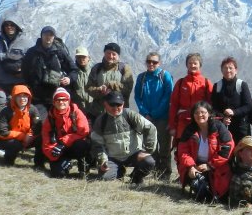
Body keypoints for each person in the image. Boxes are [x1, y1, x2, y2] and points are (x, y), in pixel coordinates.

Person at [91, 91, 157, 183]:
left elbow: (150, 128)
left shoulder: (130, 115)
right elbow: (97, 144)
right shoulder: (101, 121)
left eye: (118, 105)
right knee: (105, 178)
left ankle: (136, 177)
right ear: (105, 104)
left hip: (133, 154)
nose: (115, 108)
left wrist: (147, 150)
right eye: (112, 104)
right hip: (113, 157)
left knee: (149, 161)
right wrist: (102, 161)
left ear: (123, 104)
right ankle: (119, 171)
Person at [176, 101, 234, 201]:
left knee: (220, 197)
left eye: (203, 112)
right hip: (196, 165)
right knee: (201, 193)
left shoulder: (219, 127)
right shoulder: (189, 129)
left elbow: (227, 149)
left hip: (216, 166)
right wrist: (191, 167)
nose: (200, 115)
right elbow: (183, 151)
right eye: (196, 113)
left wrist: (210, 165)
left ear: (209, 113)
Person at [134, 51, 174, 180]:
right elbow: (137, 97)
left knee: (164, 146)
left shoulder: (165, 76)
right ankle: (156, 171)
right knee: (151, 146)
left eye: (154, 62)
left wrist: (154, 113)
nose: (151, 64)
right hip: (146, 118)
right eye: (149, 61)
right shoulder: (142, 77)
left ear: (159, 63)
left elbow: (168, 96)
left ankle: (166, 173)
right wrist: (145, 112)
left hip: (162, 117)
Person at [22, 26, 79, 112]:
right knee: (39, 122)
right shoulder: (32, 52)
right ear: (41, 36)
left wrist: (69, 79)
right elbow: (24, 71)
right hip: (37, 96)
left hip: (56, 96)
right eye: (46, 34)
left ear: (54, 37)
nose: (48, 37)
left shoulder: (60, 52)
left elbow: (74, 69)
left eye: (51, 35)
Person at [41, 88, 90, 178]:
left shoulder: (77, 113)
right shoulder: (50, 118)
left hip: (73, 146)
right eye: (58, 100)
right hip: (59, 149)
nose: (61, 102)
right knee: (58, 175)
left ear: (69, 101)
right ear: (54, 102)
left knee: (81, 145)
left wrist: (63, 142)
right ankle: (65, 164)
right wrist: (54, 155)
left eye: (64, 100)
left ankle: (83, 167)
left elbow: (84, 131)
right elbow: (46, 140)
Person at [169, 52, 213, 143]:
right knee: (182, 148)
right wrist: (172, 126)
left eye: (195, 63)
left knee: (200, 149)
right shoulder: (181, 83)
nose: (192, 65)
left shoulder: (206, 82)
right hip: (183, 123)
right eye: (190, 63)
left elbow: (211, 105)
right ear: (186, 65)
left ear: (199, 65)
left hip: (200, 122)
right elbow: (174, 105)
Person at [0, 85, 41, 166]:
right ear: (14, 98)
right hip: (6, 139)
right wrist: (22, 136)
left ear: (29, 97)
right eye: (19, 96)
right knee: (15, 143)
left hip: (28, 138)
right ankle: (8, 161)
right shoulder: (5, 111)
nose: (22, 99)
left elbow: (38, 126)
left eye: (25, 96)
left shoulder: (32, 109)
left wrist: (30, 135)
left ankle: (39, 164)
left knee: (41, 139)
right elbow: (2, 132)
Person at [0, 19, 31, 95]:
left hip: (19, 82)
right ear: (3, 27)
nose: (9, 27)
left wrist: (23, 69)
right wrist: (5, 56)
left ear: (17, 27)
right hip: (0, 83)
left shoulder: (26, 42)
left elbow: (32, 60)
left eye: (12, 25)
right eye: (6, 25)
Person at [85, 42, 134, 117]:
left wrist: (112, 85)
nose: (111, 56)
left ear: (118, 56)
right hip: (99, 112)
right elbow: (88, 88)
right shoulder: (97, 68)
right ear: (104, 53)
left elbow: (127, 88)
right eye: (108, 53)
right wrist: (100, 90)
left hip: (119, 113)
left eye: (114, 54)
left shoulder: (124, 69)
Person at [211, 56, 252, 142]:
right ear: (221, 70)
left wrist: (234, 112)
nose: (228, 70)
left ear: (236, 70)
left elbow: (248, 106)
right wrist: (223, 118)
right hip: (223, 127)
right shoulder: (217, 86)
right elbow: (213, 107)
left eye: (231, 68)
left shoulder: (242, 85)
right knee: (226, 153)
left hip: (241, 128)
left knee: (243, 154)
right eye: (225, 68)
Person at [71, 46, 94, 117]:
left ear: (88, 58)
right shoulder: (72, 71)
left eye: (83, 57)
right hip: (78, 108)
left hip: (93, 107)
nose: (81, 59)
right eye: (79, 57)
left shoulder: (95, 70)